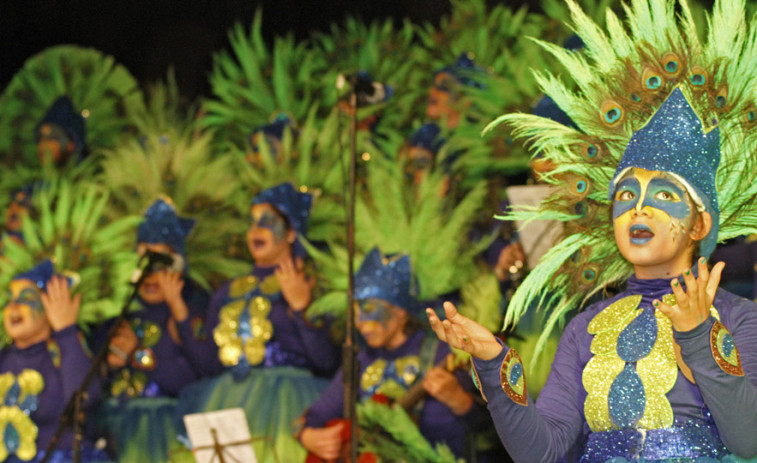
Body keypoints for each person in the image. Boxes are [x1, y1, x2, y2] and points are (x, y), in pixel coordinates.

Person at [427, 0, 757, 459]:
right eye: (625, 197)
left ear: (701, 221)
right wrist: (492, 365)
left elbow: (750, 438)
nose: (638, 210)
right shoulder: (585, 329)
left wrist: (700, 338)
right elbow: (541, 452)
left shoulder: (741, 318)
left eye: (663, 196)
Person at [176, 182, 339, 463]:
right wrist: (178, 310)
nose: (256, 230)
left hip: (289, 408)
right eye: (252, 223)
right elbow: (210, 366)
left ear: (290, 233)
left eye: (267, 222)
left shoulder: (314, 284)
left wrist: (301, 307)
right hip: (227, 403)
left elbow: (326, 361)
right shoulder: (227, 292)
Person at [299, 247, 485, 461]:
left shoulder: (443, 352)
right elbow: (315, 416)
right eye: (355, 311)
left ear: (400, 312)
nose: (359, 322)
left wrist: (462, 403)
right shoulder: (361, 360)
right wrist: (308, 436)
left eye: (368, 309)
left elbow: (489, 430)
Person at [94, 198, 214, 463]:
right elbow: (89, 389)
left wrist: (137, 354)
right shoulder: (117, 317)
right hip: (112, 436)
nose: (149, 275)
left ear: (179, 265)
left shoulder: (190, 314)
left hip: (165, 438)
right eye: (142, 262)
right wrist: (109, 366)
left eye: (158, 263)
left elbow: (202, 379)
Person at [0, 260, 107, 463]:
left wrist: (66, 330)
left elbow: (85, 400)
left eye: (26, 298)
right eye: (9, 299)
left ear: (50, 305)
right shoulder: (3, 358)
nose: (13, 306)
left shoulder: (63, 352)